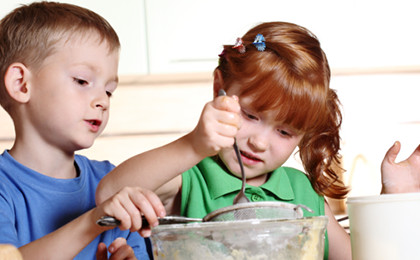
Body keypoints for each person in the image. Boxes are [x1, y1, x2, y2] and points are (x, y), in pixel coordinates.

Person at [97, 21, 352, 259]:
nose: (259, 143)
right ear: (219, 87)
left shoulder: (303, 192)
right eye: (250, 115)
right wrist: (193, 145)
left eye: (285, 132)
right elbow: (109, 194)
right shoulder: (190, 179)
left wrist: (390, 198)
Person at [0, 2, 165, 259]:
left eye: (109, 90)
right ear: (21, 84)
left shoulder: (114, 183)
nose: (103, 100)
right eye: (82, 81)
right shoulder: (4, 189)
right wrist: (94, 220)